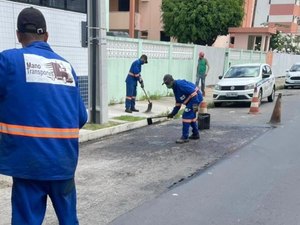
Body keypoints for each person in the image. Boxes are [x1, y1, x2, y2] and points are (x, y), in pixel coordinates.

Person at [0, 7, 87, 225]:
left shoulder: (8, 61)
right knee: (69, 221)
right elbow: (81, 117)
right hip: (64, 163)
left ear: (19, 35)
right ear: (46, 36)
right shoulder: (67, 67)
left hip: (29, 165)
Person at [162, 74, 203, 144]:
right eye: (166, 84)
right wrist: (173, 113)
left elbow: (193, 93)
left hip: (195, 99)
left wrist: (194, 105)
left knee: (186, 116)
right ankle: (196, 134)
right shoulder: (175, 88)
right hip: (194, 100)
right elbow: (178, 103)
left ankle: (185, 137)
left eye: (168, 83)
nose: (167, 85)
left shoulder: (180, 85)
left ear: (172, 81)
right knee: (192, 116)